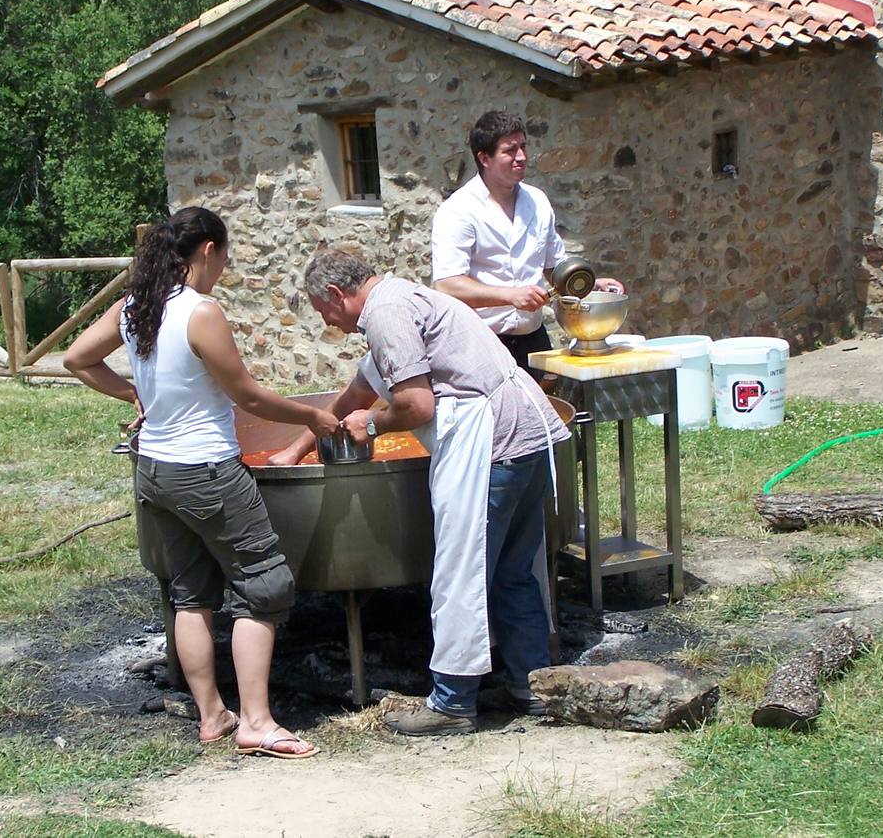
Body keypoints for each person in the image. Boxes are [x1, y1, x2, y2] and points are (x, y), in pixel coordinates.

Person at [64, 207, 336, 760]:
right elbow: (249, 396)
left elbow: (76, 358)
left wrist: (132, 395)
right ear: (207, 250)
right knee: (263, 586)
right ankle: (256, 722)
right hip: (207, 470)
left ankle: (212, 715)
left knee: (190, 594)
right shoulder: (200, 312)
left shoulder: (135, 305)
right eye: (225, 256)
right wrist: (311, 418)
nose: (224, 267)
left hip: (155, 471)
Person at [282, 248, 570, 736]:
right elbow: (355, 395)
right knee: (512, 572)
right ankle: (530, 685)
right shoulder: (405, 297)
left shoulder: (385, 314)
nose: (328, 324)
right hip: (529, 435)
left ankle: (453, 703)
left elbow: (416, 407)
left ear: (336, 293)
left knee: (460, 572)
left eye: (322, 311)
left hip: (492, 443)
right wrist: (295, 450)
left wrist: (370, 425)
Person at [431, 110, 623, 374]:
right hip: (480, 344)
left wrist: (589, 283)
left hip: (533, 339)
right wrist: (509, 296)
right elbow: (447, 285)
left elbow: (554, 266)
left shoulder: (538, 201)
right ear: (484, 158)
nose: (521, 157)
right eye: (510, 150)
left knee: (547, 411)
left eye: (523, 147)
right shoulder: (458, 211)